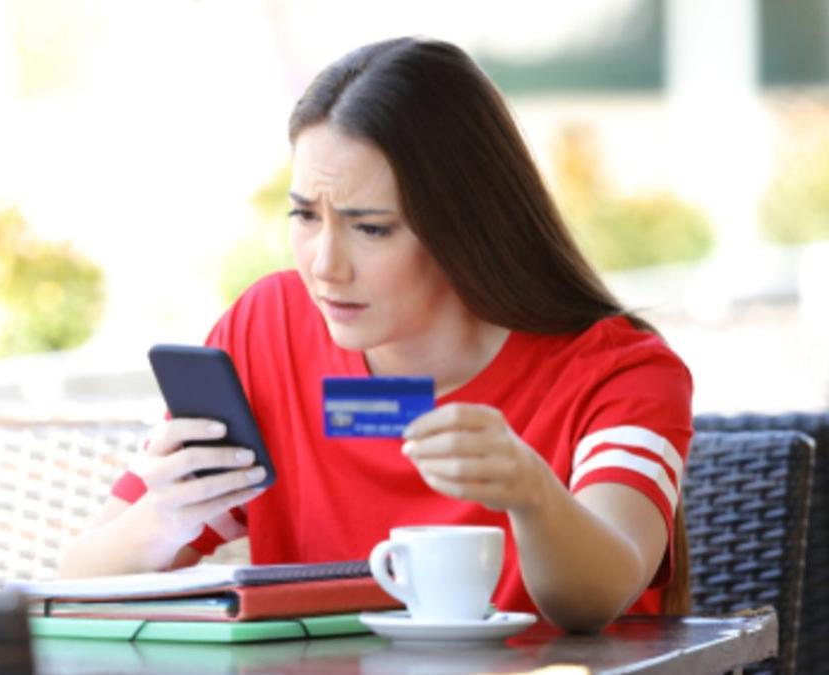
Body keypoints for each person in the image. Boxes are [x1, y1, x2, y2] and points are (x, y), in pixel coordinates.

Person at [57, 37, 692, 632]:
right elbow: (75, 582)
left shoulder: (620, 373)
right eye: (305, 216)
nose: (325, 266)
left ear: (466, 227)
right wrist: (162, 521)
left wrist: (531, 492)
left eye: (371, 228)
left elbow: (596, 599)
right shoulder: (263, 330)